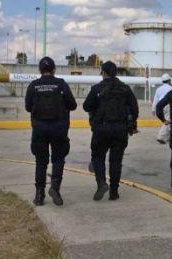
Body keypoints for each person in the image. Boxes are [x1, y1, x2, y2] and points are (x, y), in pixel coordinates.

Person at [83, 61, 139, 201]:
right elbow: (135, 109)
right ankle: (114, 191)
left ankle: (101, 183)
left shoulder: (97, 88)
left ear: (104, 73)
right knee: (116, 161)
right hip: (120, 130)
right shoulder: (125, 89)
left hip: (101, 129)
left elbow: (86, 106)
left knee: (98, 158)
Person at [25, 57, 77, 206]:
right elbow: (72, 105)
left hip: (40, 128)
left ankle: (39, 195)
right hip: (59, 128)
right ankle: (55, 187)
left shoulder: (33, 85)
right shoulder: (61, 84)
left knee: (41, 162)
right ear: (54, 69)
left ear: (40, 70)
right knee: (58, 159)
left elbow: (28, 107)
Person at [152, 73, 172, 144]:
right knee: (167, 121)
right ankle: (161, 136)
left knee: (169, 121)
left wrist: (153, 109)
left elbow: (155, 99)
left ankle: (169, 137)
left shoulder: (159, 89)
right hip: (168, 106)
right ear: (169, 80)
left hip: (160, 106)